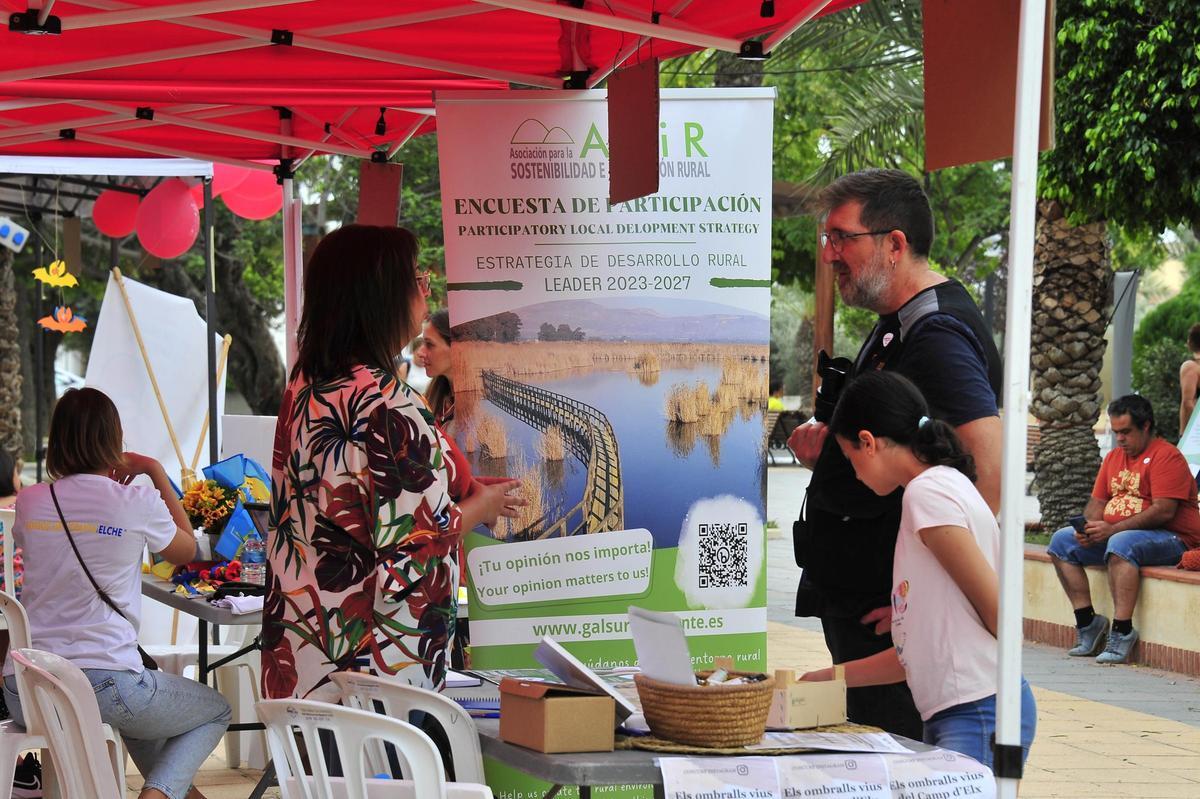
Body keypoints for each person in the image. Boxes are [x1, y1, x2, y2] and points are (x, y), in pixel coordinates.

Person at [264, 225, 523, 701]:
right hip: (375, 662)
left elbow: (351, 492)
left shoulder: (306, 384)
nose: (427, 293)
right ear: (382, 294)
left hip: (304, 644)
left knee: (321, 776)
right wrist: (482, 508)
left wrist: (444, 481)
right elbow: (415, 541)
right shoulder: (388, 404)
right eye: (419, 280)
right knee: (382, 778)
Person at [787, 169, 1002, 739]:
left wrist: (925, 605)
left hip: (892, 628)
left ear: (895, 243)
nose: (829, 253)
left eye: (841, 238)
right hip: (869, 611)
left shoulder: (938, 333)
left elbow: (988, 476)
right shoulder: (897, 325)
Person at [2, 387, 231, 799]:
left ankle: (178, 794)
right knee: (216, 709)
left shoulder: (32, 501)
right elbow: (187, 550)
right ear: (113, 439)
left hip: (25, 689)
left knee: (142, 716)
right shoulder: (134, 500)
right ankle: (157, 795)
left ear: (58, 440)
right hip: (104, 685)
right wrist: (155, 470)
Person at [801, 371, 1036, 768]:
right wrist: (825, 678)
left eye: (849, 459)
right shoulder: (937, 488)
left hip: (977, 709)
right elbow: (911, 657)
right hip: (964, 710)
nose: (854, 474)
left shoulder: (927, 494)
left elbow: (1002, 617)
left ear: (868, 442)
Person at [1047, 394, 1200, 664]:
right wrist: (1087, 529)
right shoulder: (1114, 458)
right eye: (1116, 433)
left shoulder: (1167, 456)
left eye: (1126, 432)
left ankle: (1122, 631)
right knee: (1062, 541)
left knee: (1121, 544)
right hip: (1121, 534)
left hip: (1176, 538)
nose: (1120, 439)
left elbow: (1164, 510)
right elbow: (1097, 504)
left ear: (1146, 426)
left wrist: (1111, 530)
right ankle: (1088, 623)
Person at [1180, 322, 1200, 435]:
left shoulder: (1191, 367)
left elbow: (1188, 403)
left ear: (1190, 342)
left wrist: (1185, 434)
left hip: (1194, 433)